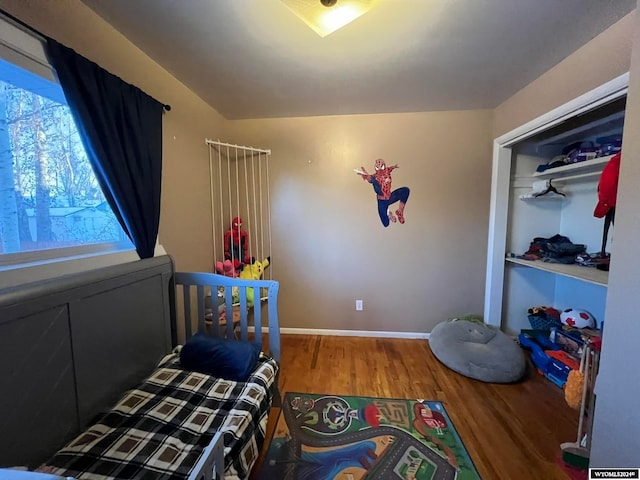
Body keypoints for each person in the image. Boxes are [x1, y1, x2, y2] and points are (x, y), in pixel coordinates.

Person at [356, 159, 410, 227]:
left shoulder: (387, 170)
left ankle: (400, 211)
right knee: (386, 223)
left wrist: (394, 166)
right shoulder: (375, 176)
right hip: (381, 200)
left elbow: (390, 168)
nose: (380, 170)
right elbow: (369, 178)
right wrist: (365, 175)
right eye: (378, 167)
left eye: (381, 167)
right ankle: (388, 213)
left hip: (389, 197)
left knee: (405, 191)